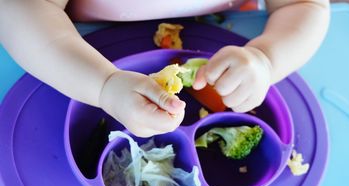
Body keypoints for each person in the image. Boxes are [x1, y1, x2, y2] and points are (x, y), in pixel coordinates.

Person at [0, 0, 329, 137]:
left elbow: (303, 6)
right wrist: (102, 85)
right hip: (77, 50)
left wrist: (267, 58)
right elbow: (20, 11)